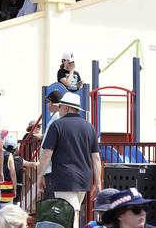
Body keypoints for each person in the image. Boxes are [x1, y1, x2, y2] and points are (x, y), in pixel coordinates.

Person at [38, 92, 101, 228]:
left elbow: (47, 154)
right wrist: (98, 182)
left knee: (68, 216)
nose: (58, 109)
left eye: (60, 106)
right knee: (74, 212)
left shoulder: (57, 125)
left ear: (66, 108)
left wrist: (39, 175)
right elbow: (96, 158)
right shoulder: (89, 127)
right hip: (84, 178)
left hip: (64, 178)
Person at [39, 90, 62, 200]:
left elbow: (48, 150)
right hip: (54, 168)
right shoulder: (56, 118)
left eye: (48, 102)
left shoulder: (56, 119)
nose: (48, 105)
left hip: (51, 168)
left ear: (53, 103)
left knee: (51, 203)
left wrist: (41, 172)